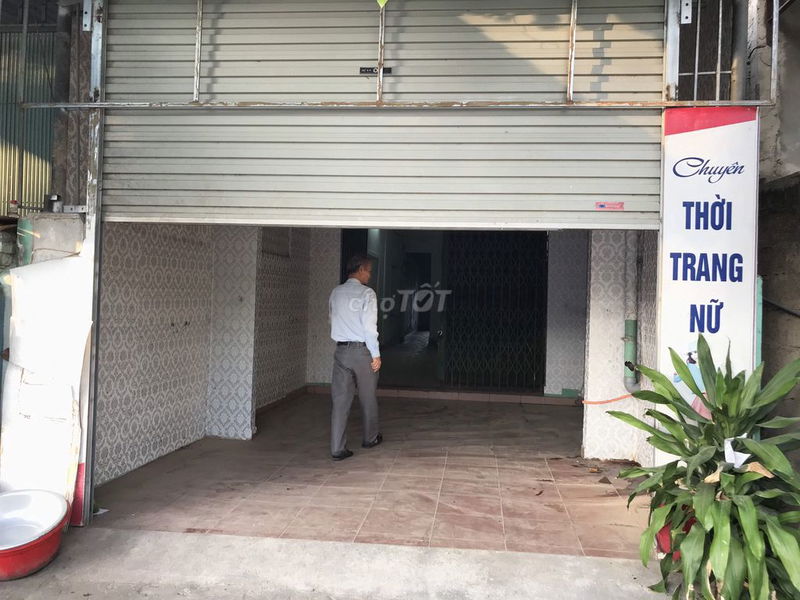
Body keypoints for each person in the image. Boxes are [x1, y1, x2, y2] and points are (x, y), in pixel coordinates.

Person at [328, 254, 382, 460]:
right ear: (360, 270)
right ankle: (370, 438)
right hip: (362, 352)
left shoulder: (336, 292)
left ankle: (337, 448)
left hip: (341, 352)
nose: (369, 275)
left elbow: (331, 319)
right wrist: (376, 354)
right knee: (368, 398)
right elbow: (369, 327)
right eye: (368, 271)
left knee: (340, 401)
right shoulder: (367, 293)